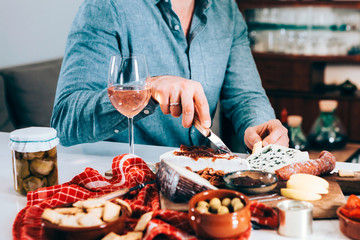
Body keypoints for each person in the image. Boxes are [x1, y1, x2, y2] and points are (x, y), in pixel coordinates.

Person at [51, 0, 288, 152]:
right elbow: (65, 121)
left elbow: (245, 96)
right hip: (122, 183)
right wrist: (146, 89)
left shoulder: (226, 10)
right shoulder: (106, 6)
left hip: (200, 179)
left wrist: (261, 129)